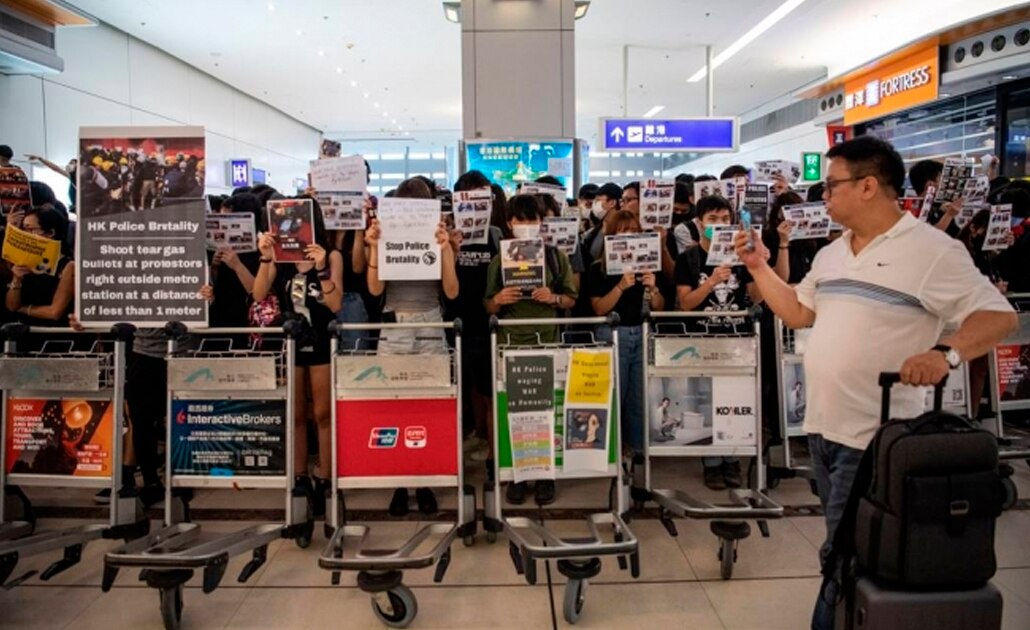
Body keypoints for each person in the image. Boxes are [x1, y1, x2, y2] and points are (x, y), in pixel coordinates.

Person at [730, 135, 1017, 630]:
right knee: (848, 549)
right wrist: (756, 265)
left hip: (876, 435)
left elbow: (999, 316)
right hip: (822, 429)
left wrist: (944, 353)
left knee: (845, 556)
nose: (824, 195)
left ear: (868, 186)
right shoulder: (833, 254)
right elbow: (799, 313)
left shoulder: (931, 250)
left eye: (832, 185)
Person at [365, 177, 458, 516]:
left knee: (429, 406)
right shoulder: (385, 234)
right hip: (395, 324)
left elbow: (451, 291)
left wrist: (446, 247)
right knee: (393, 407)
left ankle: (425, 478)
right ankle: (400, 481)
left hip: (431, 322)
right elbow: (375, 289)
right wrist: (374, 246)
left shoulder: (438, 235)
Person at [253, 196, 344, 519]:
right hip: (290, 342)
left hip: (320, 341)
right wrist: (266, 258)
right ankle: (300, 478)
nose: (290, 225)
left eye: (297, 219)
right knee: (296, 415)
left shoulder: (330, 254)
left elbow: (335, 304)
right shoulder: (280, 255)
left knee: (322, 413)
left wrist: (321, 269)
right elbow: (258, 294)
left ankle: (327, 479)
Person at [485, 194, 577, 506]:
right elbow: (487, 303)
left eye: (532, 220)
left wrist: (552, 298)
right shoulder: (500, 259)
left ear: (542, 223)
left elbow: (571, 300)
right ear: (509, 223)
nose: (526, 227)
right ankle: (516, 475)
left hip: (547, 341)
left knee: (546, 411)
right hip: (509, 344)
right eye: (519, 221)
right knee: (514, 411)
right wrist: (499, 300)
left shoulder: (555, 257)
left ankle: (545, 475)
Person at [675, 194, 761, 490]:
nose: (720, 225)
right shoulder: (688, 258)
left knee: (737, 401)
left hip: (738, 339)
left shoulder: (742, 256)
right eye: (713, 220)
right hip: (701, 341)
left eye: (725, 219)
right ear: (699, 223)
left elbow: (759, 297)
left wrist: (759, 265)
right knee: (706, 401)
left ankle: (733, 459)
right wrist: (711, 282)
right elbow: (685, 303)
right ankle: (712, 462)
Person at [586, 211, 665, 453]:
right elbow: (599, 308)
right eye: (622, 232)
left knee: (639, 398)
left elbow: (659, 307)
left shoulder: (648, 266)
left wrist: (653, 289)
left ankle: (638, 448)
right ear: (611, 237)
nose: (628, 236)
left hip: (642, 333)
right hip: (611, 333)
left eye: (633, 232)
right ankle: (612, 447)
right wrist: (621, 286)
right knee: (613, 395)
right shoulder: (598, 269)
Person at [5, 207, 74, 326]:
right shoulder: (24, 262)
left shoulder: (68, 266)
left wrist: (23, 309)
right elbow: (11, 306)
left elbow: (54, 312)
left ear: (50, 233)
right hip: (25, 333)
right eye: (23, 229)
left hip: (54, 336)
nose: (26, 235)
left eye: (30, 229)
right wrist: (17, 280)